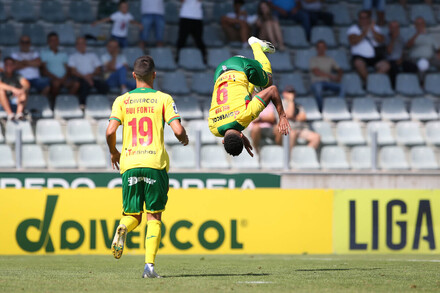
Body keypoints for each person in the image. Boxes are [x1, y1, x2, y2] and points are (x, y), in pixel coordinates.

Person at [106, 55, 188, 278]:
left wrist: (114, 151)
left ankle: (123, 227)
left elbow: (110, 131)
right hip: (154, 164)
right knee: (154, 216)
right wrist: (184, 138)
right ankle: (149, 267)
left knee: (133, 215)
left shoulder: (121, 100)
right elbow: (178, 130)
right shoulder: (163, 98)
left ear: (133, 76)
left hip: (130, 163)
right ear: (154, 75)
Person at [209, 36, 290, 157]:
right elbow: (230, 121)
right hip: (219, 72)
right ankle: (255, 84)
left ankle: (256, 45)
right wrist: (239, 137)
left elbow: (273, 90)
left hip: (240, 65)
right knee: (244, 97)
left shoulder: (245, 116)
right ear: (223, 141)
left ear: (241, 135)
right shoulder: (214, 128)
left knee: (268, 82)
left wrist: (282, 116)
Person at [348, 10, 390, 85]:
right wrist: (364, 32)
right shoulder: (353, 29)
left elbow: (381, 40)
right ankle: (369, 83)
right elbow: (353, 41)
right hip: (360, 56)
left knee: (386, 66)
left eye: (365, 18)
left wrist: (372, 30)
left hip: (375, 56)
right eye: (361, 18)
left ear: (369, 19)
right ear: (358, 19)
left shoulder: (375, 28)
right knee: (358, 63)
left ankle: (372, 82)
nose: (363, 20)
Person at [274, 86, 320, 150]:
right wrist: (291, 101)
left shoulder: (298, 105)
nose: (291, 94)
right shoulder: (280, 104)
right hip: (288, 130)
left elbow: (303, 117)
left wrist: (292, 117)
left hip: (301, 129)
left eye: (292, 92)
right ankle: (291, 157)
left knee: (316, 137)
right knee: (293, 134)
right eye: (289, 92)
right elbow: (290, 114)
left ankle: (304, 155)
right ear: (284, 94)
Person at [41, 32, 80, 107]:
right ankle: (55, 103)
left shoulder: (63, 54)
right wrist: (57, 78)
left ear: (58, 41)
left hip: (64, 78)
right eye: (52, 40)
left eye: (55, 40)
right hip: (52, 79)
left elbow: (68, 69)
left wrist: (64, 78)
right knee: (56, 83)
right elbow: (44, 70)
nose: (54, 42)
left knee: (76, 84)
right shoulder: (44, 53)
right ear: (48, 42)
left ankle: (66, 102)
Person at [68, 37, 108, 105]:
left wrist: (90, 76)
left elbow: (98, 69)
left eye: (83, 43)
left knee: (104, 86)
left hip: (92, 78)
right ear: (76, 45)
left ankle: (101, 104)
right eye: (79, 44)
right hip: (80, 78)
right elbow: (73, 71)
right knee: (84, 85)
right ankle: (83, 105)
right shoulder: (72, 57)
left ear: (85, 44)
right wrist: (86, 78)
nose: (81, 45)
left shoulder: (93, 55)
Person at [309, 40, 344, 111]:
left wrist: (339, 77)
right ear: (317, 49)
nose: (321, 49)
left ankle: (339, 105)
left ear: (325, 48)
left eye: (323, 47)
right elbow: (316, 72)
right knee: (318, 89)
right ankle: (321, 110)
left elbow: (339, 69)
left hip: (328, 83)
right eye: (319, 47)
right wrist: (331, 76)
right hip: (317, 82)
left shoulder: (330, 59)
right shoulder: (313, 59)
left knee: (342, 87)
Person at [385, 21, 417, 88]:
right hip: (390, 60)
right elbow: (389, 51)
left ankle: (410, 86)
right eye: (393, 27)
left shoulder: (401, 38)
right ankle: (394, 88)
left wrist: (401, 59)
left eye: (396, 27)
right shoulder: (386, 37)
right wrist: (393, 38)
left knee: (413, 67)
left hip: (400, 60)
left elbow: (404, 49)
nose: (395, 29)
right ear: (389, 28)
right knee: (394, 69)